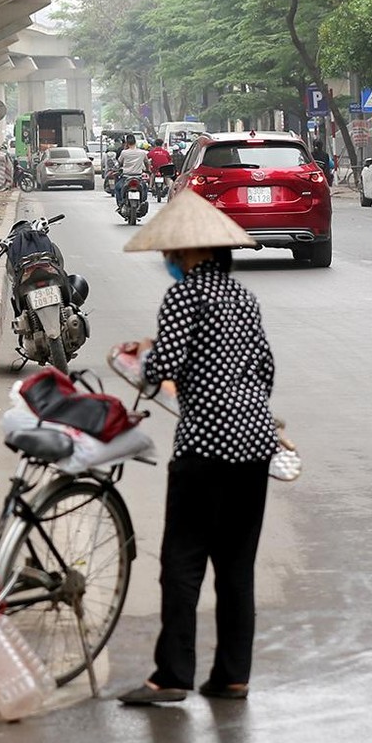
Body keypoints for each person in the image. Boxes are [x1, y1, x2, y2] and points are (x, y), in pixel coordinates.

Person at [115, 190, 280, 706]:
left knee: (182, 562)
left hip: (204, 448)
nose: (169, 261)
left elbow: (162, 369)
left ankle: (172, 676)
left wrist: (139, 358)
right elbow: (266, 370)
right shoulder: (243, 297)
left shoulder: (184, 297)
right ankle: (232, 675)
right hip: (255, 444)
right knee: (236, 565)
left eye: (173, 253)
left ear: (191, 254)